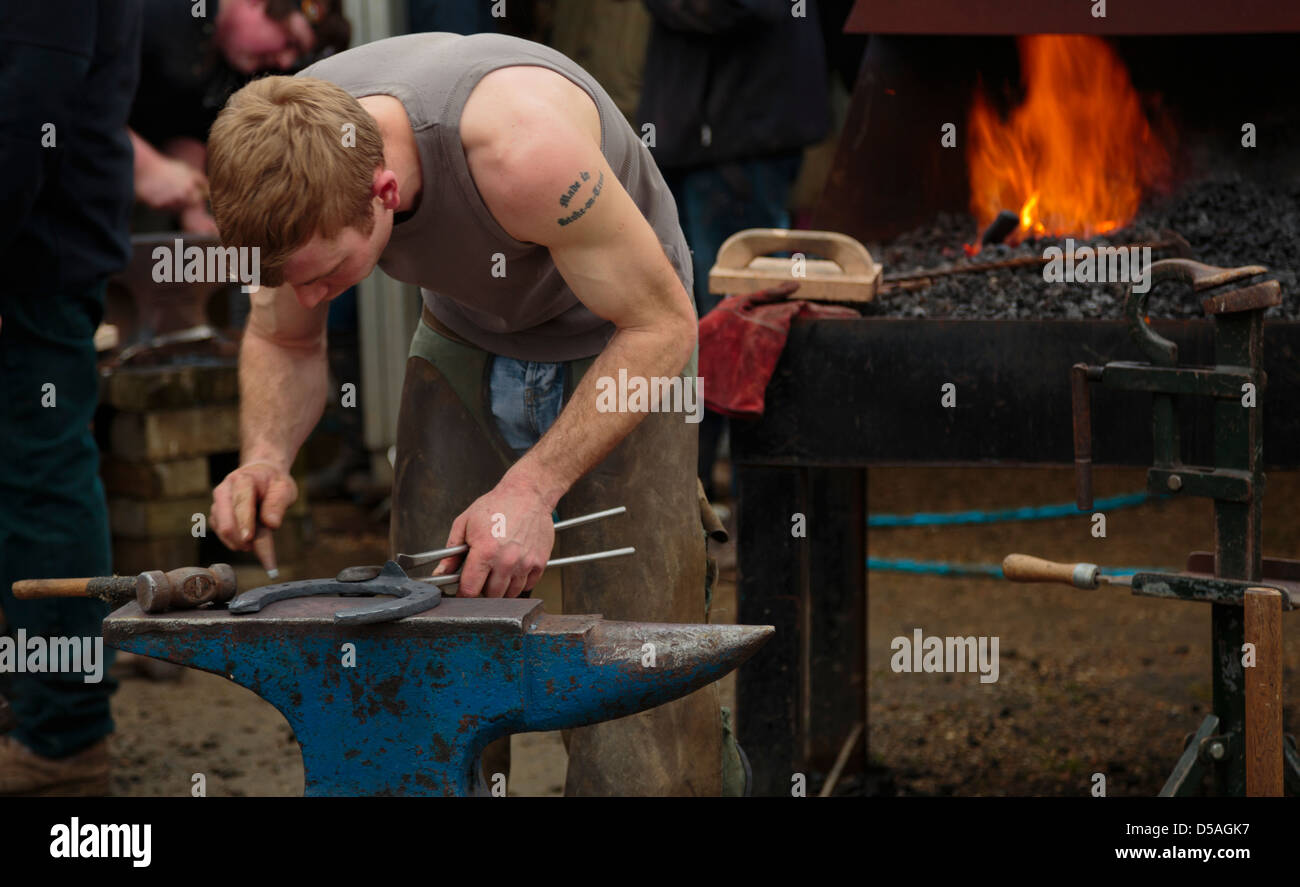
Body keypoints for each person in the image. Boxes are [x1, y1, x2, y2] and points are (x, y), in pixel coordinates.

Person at [204, 32, 739, 795]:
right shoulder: (288, 152)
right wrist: (264, 456)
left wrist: (530, 489)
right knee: (419, 640)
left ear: (383, 192)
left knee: (635, 682)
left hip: (622, 337)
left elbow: (663, 326)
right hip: (466, 330)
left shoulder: (523, 152)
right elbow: (283, 336)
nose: (314, 298)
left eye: (327, 277)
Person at [0, 0, 143, 796]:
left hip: (32, 258)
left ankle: (63, 738)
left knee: (38, 480)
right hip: (34, 243)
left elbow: (24, 110)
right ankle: (38, 707)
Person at [637, 0, 831, 502]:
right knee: (686, 321)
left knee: (742, 324)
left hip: (739, 139)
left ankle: (756, 511)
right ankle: (693, 500)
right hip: (697, 135)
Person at [130, 0, 351, 234]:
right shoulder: (158, 11)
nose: (285, 61)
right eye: (290, 42)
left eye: (296, 55)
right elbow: (89, 98)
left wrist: (191, 207)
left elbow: (185, 125)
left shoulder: (232, 64)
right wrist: (147, 167)